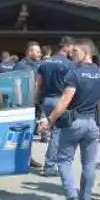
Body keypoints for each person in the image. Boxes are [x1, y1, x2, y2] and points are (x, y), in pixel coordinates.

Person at [38, 38, 100, 200]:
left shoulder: (74, 74)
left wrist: (49, 121)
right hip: (93, 123)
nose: (72, 54)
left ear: (86, 52)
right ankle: (85, 199)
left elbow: (64, 102)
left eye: (75, 52)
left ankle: (71, 197)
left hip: (74, 122)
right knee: (89, 163)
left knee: (64, 161)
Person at [35, 36, 74, 176]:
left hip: (46, 100)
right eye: (71, 47)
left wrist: (36, 101)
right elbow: (72, 85)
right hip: (60, 100)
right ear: (67, 46)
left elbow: (37, 84)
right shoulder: (69, 64)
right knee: (58, 134)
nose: (72, 50)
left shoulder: (45, 63)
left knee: (54, 133)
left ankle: (53, 163)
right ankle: (50, 166)